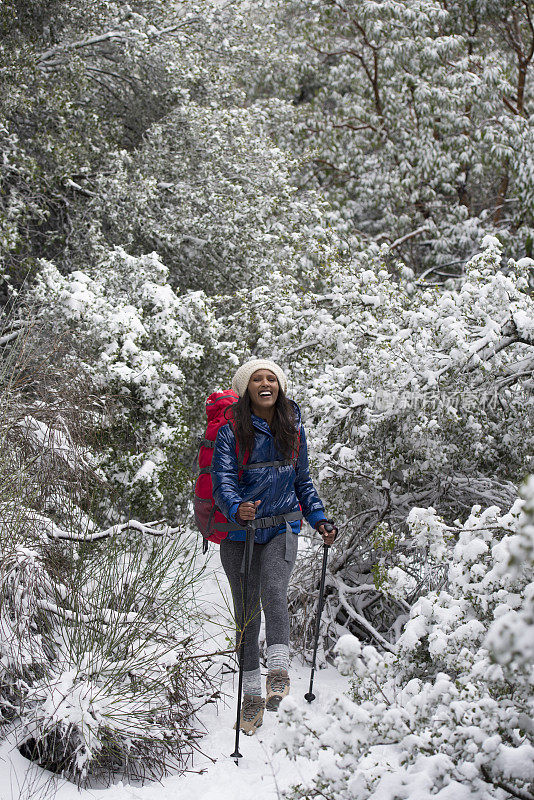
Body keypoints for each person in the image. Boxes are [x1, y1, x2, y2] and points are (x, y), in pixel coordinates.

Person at [211, 358, 337, 735]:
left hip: (282, 527)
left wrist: (319, 518)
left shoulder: (292, 428)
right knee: (246, 614)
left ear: (279, 386)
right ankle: (251, 696)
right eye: (257, 379)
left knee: (273, 588)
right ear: (246, 388)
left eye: (271, 379)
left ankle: (278, 669)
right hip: (240, 536)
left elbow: (304, 482)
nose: (265, 384)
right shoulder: (230, 431)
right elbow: (222, 481)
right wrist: (236, 507)